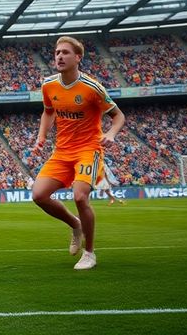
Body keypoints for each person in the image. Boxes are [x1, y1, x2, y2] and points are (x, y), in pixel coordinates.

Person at [31, 36, 125, 270]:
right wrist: (42, 136)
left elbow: (118, 116)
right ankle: (75, 224)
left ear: (78, 57)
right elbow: (48, 112)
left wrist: (111, 134)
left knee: (80, 197)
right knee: (39, 195)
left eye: (65, 52)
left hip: (88, 150)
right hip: (62, 151)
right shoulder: (49, 85)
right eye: (57, 53)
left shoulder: (92, 88)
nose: (59, 56)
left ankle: (90, 253)